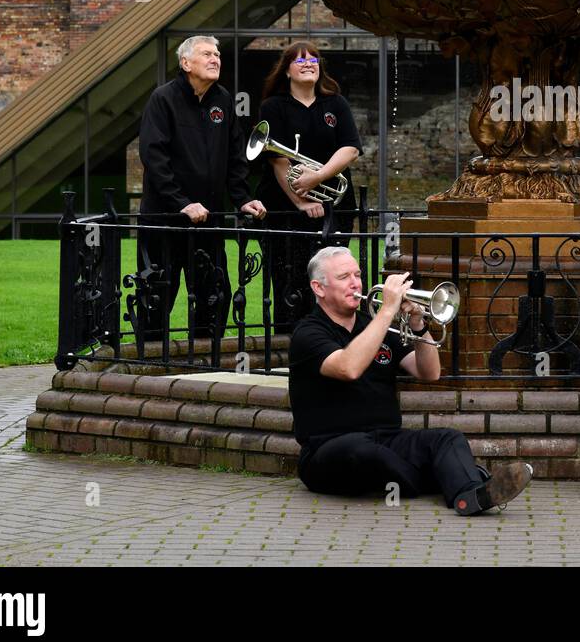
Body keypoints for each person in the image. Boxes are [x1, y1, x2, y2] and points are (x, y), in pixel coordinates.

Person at [290, 246, 534, 514]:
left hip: (388, 439)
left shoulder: (372, 325)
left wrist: (418, 324)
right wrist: (386, 312)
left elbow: (429, 372)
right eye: (343, 277)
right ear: (319, 288)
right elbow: (349, 367)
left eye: (357, 274)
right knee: (364, 451)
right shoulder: (308, 333)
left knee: (447, 439)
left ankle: (469, 496)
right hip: (329, 447)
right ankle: (451, 476)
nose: (355, 283)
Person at [137, 35, 266, 341]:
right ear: (186, 63)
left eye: (217, 54)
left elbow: (236, 158)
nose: (215, 59)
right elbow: (154, 157)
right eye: (207, 54)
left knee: (213, 295)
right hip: (164, 221)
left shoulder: (223, 100)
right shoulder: (163, 99)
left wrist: (242, 199)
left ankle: (208, 363)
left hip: (209, 222)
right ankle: (150, 365)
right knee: (158, 294)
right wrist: (181, 203)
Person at [254, 41, 361, 334]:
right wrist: (300, 201)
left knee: (334, 278)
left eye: (313, 59)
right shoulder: (273, 106)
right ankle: (288, 343)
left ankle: (334, 339)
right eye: (299, 60)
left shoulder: (335, 103)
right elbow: (278, 161)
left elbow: (350, 149)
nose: (307, 63)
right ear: (287, 70)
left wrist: (318, 177)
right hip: (286, 210)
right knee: (290, 280)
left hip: (334, 208)